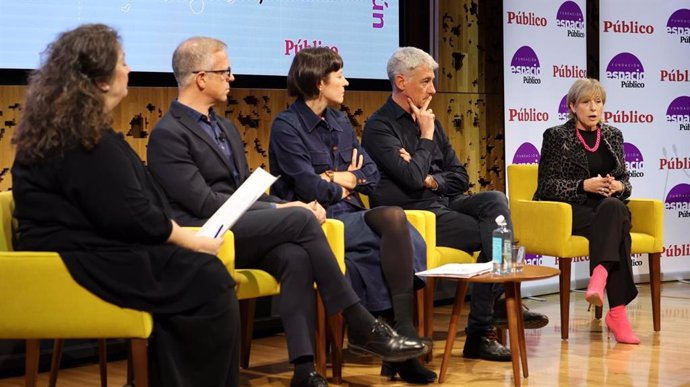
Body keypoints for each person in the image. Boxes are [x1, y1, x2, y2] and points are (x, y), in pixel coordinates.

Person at [146, 37, 428, 387]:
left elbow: (241, 192)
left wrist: (283, 204)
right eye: (226, 71)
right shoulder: (168, 134)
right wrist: (292, 209)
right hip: (204, 232)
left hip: (240, 226)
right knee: (301, 218)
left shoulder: (227, 128)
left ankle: (304, 369)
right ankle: (359, 320)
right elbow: (205, 204)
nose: (232, 78)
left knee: (294, 256)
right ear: (201, 77)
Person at [10, 24, 239, 387]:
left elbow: (129, 207)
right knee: (206, 278)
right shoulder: (81, 137)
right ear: (101, 80)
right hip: (74, 259)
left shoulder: (69, 127)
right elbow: (131, 214)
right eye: (123, 61)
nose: (129, 69)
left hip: (87, 248)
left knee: (195, 271)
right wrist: (190, 239)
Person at [361, 47, 548, 362]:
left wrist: (431, 180)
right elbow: (409, 178)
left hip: (442, 202)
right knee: (496, 234)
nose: (433, 89)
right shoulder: (380, 127)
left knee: (495, 201)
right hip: (414, 215)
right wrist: (426, 137)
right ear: (401, 81)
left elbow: (460, 176)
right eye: (426, 82)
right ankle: (484, 325)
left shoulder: (430, 120)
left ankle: (489, 315)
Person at [269, 47, 436, 384]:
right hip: (317, 221)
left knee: (396, 225)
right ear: (318, 82)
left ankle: (398, 341)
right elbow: (309, 187)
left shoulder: (339, 121)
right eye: (340, 76)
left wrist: (336, 178)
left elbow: (370, 176)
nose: (346, 82)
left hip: (351, 214)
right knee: (391, 230)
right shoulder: (287, 126)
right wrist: (340, 180)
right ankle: (400, 339)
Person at [534, 78, 639, 344]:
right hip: (572, 210)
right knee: (618, 227)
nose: (593, 108)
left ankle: (599, 277)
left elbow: (626, 182)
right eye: (585, 102)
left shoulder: (613, 135)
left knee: (615, 208)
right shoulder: (557, 136)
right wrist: (584, 185)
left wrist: (617, 185)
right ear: (572, 106)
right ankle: (617, 313)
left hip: (607, 208)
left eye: (598, 101)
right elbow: (546, 186)